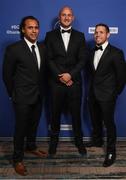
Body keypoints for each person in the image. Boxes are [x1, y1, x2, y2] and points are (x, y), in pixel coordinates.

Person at [3, 16, 47, 176]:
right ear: (22, 30)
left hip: (38, 95)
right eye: (30, 27)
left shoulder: (43, 47)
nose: (34, 30)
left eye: (36, 27)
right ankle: (17, 159)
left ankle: (32, 146)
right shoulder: (14, 49)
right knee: (21, 128)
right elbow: (7, 75)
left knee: (33, 124)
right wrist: (12, 93)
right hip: (21, 96)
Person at [45, 6, 88, 157]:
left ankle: (79, 142)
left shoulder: (80, 36)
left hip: (74, 84)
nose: (66, 17)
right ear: (59, 17)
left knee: (76, 116)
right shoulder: (49, 36)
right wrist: (61, 76)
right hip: (56, 84)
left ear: (73, 18)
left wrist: (70, 75)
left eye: (69, 15)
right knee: (54, 115)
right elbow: (48, 59)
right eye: (64, 15)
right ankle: (54, 143)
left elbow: (83, 60)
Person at [87, 23, 126, 167]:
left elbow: (122, 77)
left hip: (108, 95)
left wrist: (114, 93)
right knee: (95, 119)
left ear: (108, 35)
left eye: (101, 32)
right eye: (96, 32)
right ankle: (97, 140)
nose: (97, 35)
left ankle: (111, 151)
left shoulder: (116, 53)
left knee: (109, 124)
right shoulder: (91, 52)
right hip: (93, 94)